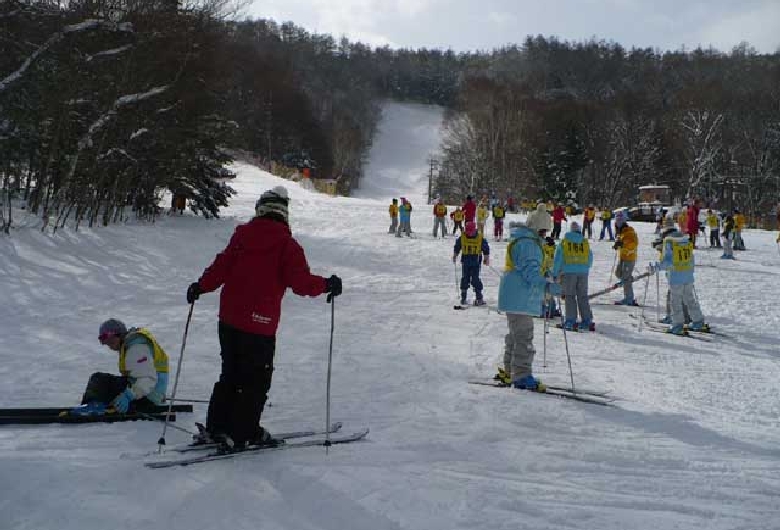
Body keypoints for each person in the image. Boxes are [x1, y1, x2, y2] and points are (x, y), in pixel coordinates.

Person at [186, 186, 342, 449]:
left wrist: (200, 286)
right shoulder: (287, 245)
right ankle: (243, 432)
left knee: (230, 375)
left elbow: (221, 267)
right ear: (284, 213)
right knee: (255, 381)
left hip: (229, 320)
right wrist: (327, 284)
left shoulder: (242, 237)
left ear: (260, 209)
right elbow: (300, 282)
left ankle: (217, 428)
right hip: (259, 325)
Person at [495, 216, 553, 391]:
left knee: (515, 335)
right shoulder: (529, 244)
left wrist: (545, 272)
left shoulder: (523, 240)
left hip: (515, 296)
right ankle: (521, 375)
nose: (545, 235)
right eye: (543, 231)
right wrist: (548, 285)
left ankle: (510, 370)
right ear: (537, 229)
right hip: (521, 297)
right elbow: (530, 273)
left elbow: (530, 267)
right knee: (523, 337)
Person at [77, 319, 169, 415]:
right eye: (104, 340)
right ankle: (97, 404)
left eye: (109, 339)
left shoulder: (136, 348)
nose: (108, 344)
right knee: (107, 384)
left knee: (99, 379)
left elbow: (148, 379)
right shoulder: (132, 346)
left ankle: (92, 407)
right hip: (148, 394)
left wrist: (128, 396)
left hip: (147, 397)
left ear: (119, 335)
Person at [658, 219, 709, 335]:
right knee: (690, 300)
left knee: (675, 301)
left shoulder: (669, 241)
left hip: (676, 277)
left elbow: (668, 262)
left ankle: (677, 325)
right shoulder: (685, 239)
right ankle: (698, 321)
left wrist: (656, 266)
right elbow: (691, 258)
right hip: (687, 276)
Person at [552, 221, 594, 331]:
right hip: (583, 272)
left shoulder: (565, 242)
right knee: (583, 296)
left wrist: (555, 273)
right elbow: (590, 257)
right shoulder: (584, 242)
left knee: (570, 295)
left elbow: (558, 258)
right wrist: (585, 267)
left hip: (569, 272)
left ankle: (570, 321)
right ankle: (587, 320)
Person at [453, 221, 490, 306]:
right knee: (465, 279)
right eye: (468, 232)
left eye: (471, 232)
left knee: (475, 279)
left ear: (474, 230)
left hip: (475, 263)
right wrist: (455, 255)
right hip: (465, 263)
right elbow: (457, 246)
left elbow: (486, 248)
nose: (469, 234)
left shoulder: (480, 238)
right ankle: (463, 297)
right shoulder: (462, 237)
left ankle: (479, 298)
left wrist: (486, 258)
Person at [613, 211, 639, 305]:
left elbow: (633, 244)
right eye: (617, 221)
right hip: (623, 256)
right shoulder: (621, 232)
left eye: (620, 221)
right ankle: (627, 279)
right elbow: (620, 241)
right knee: (618, 273)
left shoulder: (629, 231)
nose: (617, 224)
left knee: (625, 277)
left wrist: (623, 244)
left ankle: (629, 298)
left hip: (629, 257)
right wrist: (617, 244)